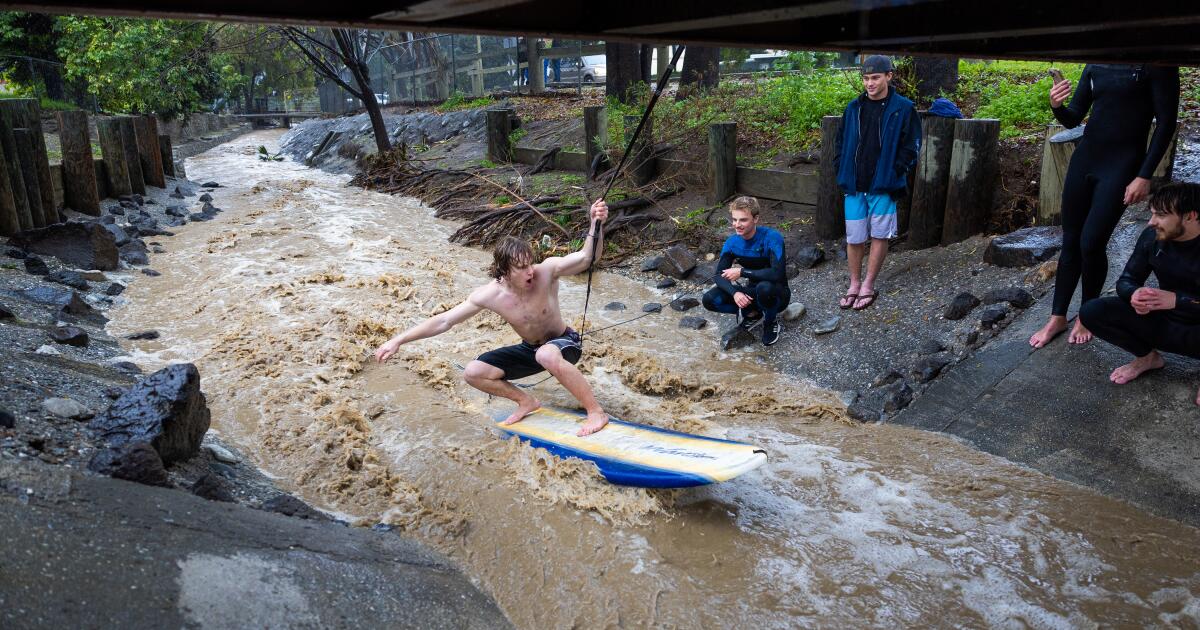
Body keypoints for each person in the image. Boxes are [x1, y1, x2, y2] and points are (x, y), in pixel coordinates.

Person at [374, 199, 611, 436]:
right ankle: (526, 402)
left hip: (565, 343)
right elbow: (444, 321)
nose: (530, 271)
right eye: (521, 267)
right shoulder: (490, 294)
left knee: (546, 353)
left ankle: (596, 412)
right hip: (532, 350)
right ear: (504, 271)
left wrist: (595, 224)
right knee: (473, 372)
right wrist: (397, 340)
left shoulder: (547, 271)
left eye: (529, 263)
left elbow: (587, 258)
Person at [1030, 64, 1179, 348]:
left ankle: (1088, 314)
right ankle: (1058, 316)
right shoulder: (1097, 63)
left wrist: (1144, 175)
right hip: (1085, 159)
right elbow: (1073, 118)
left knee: (1091, 242)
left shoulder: (1158, 63)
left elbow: (1166, 122)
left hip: (1122, 165)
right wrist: (1056, 106)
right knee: (1071, 242)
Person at [1078, 182, 1200, 406]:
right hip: (1166, 323)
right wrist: (1135, 293)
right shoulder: (1152, 237)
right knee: (1092, 311)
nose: (1152, 222)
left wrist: (1176, 300)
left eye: (1161, 215)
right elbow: (1126, 280)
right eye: (1152, 214)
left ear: (1190, 216)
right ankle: (1147, 358)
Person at [834, 55, 921, 311]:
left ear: (888, 76)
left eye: (875, 77)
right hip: (854, 184)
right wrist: (840, 168)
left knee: (880, 235)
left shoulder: (903, 108)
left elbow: (912, 146)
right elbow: (839, 142)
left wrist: (896, 172)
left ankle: (868, 285)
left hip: (883, 184)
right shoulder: (853, 108)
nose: (869, 83)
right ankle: (854, 283)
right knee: (854, 237)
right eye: (866, 78)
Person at [702, 196, 789, 346]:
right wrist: (735, 293)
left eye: (743, 220)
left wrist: (742, 272)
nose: (737, 225)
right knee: (709, 299)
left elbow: (777, 273)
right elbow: (718, 275)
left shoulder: (772, 238)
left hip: (777, 293)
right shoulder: (732, 242)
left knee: (764, 287)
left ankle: (770, 321)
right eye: (734, 220)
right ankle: (752, 315)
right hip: (752, 292)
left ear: (755, 219)